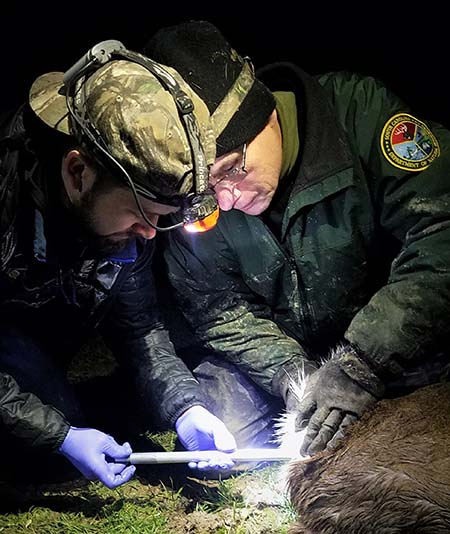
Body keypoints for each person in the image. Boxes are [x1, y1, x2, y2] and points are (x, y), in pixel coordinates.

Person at [144, 20, 450, 457]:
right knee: (221, 434)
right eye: (206, 191)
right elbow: (218, 310)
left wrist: (362, 362)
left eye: (231, 168)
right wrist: (294, 377)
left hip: (391, 346)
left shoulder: (360, 115)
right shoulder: (199, 198)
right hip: (286, 357)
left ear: (266, 114)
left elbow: (441, 233)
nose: (225, 200)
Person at [0, 39, 242, 489]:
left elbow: (139, 327)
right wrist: (59, 436)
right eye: (139, 212)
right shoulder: (6, 191)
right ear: (78, 172)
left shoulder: (113, 223)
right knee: (37, 448)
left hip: (33, 336)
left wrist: (186, 408)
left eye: (161, 219)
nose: (150, 232)